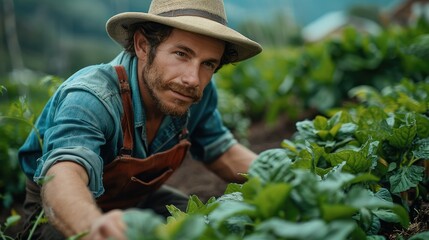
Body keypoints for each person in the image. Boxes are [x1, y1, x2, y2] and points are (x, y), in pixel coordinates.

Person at [17, 0, 262, 239]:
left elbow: (221, 151)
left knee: (208, 226)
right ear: (143, 45)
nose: (193, 79)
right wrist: (94, 227)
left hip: (135, 200)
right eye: (181, 54)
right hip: (59, 212)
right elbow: (63, 174)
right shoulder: (91, 98)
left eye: (208, 64)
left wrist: (287, 175)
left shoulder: (195, 92)